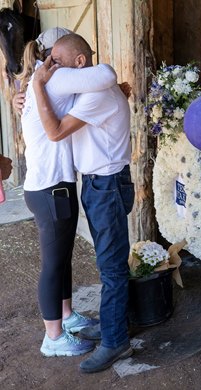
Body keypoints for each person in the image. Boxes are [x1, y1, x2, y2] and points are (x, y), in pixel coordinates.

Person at [33, 33, 135, 373]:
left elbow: (56, 131)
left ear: (80, 63)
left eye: (57, 62)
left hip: (105, 186)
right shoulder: (90, 92)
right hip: (100, 184)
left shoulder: (97, 95)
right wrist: (27, 95)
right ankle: (113, 326)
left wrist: (36, 88)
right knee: (110, 262)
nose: (52, 70)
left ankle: (115, 341)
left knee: (111, 267)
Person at [17, 27, 119, 357]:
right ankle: (53, 337)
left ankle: (66, 317)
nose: (54, 64)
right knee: (52, 264)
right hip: (51, 188)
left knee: (61, 260)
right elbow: (105, 75)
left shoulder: (40, 83)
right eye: (53, 59)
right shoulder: (55, 79)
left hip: (47, 186)